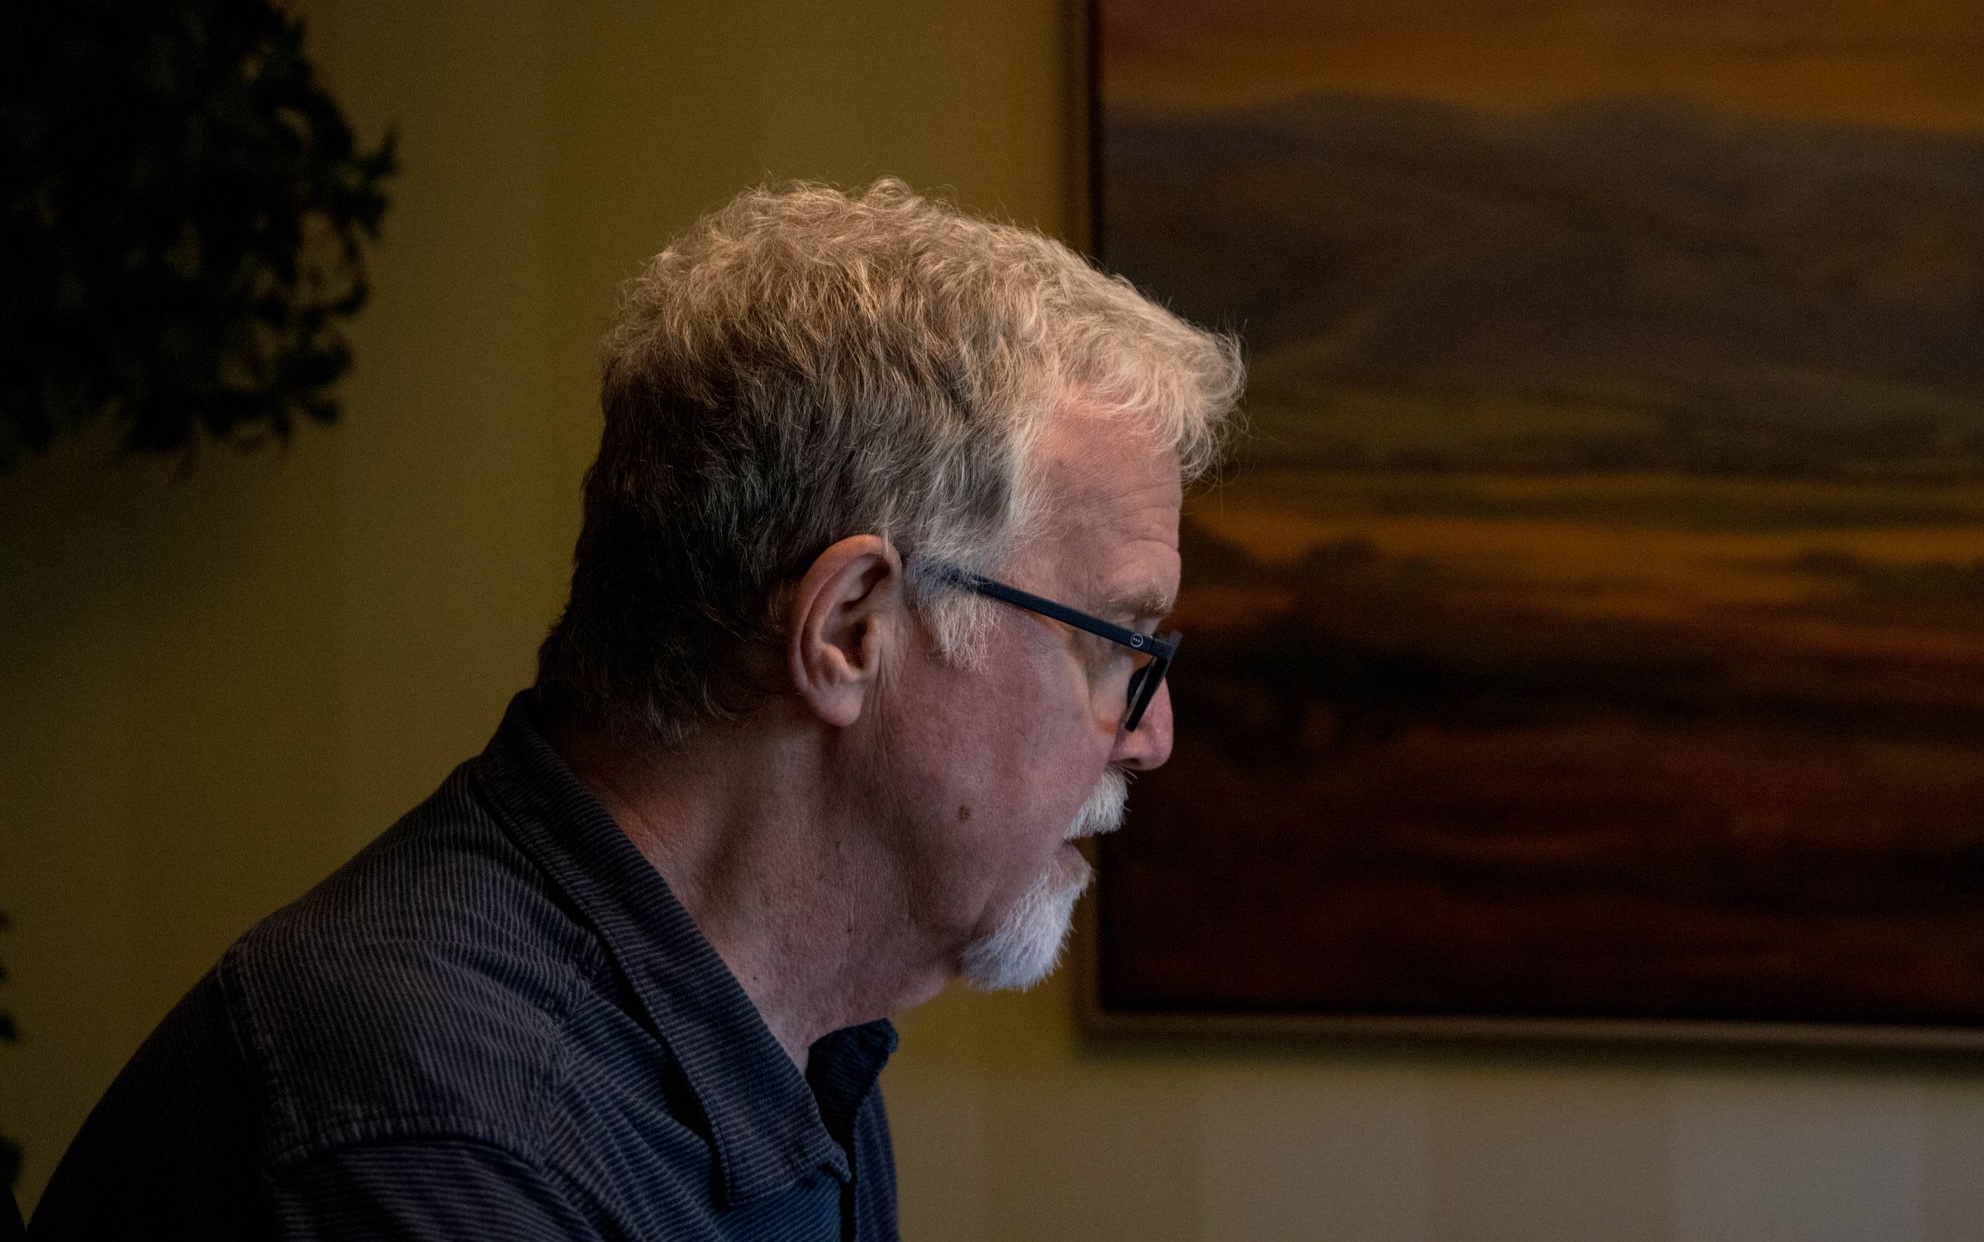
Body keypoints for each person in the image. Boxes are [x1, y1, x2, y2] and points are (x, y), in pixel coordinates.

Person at [30, 180, 1243, 1239]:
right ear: (849, 628)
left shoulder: (804, 1046)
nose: (1149, 732)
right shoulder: (439, 1135)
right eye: (1117, 642)